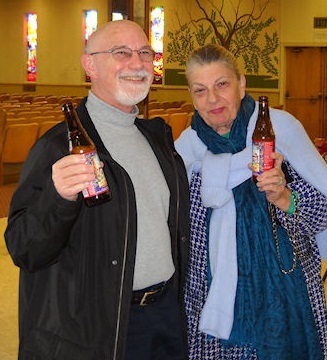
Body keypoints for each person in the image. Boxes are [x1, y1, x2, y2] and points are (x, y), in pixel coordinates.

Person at [4, 20, 190, 360]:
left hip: (163, 316)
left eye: (145, 53)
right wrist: (57, 199)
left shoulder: (157, 139)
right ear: (90, 64)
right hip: (97, 327)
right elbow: (23, 248)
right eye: (122, 53)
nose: (137, 64)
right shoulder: (58, 146)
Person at [175, 44, 327, 359]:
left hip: (286, 293)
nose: (212, 98)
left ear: (242, 84)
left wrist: (285, 197)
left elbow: (321, 213)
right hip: (212, 304)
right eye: (200, 90)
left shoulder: (279, 130)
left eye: (222, 84)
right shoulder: (186, 150)